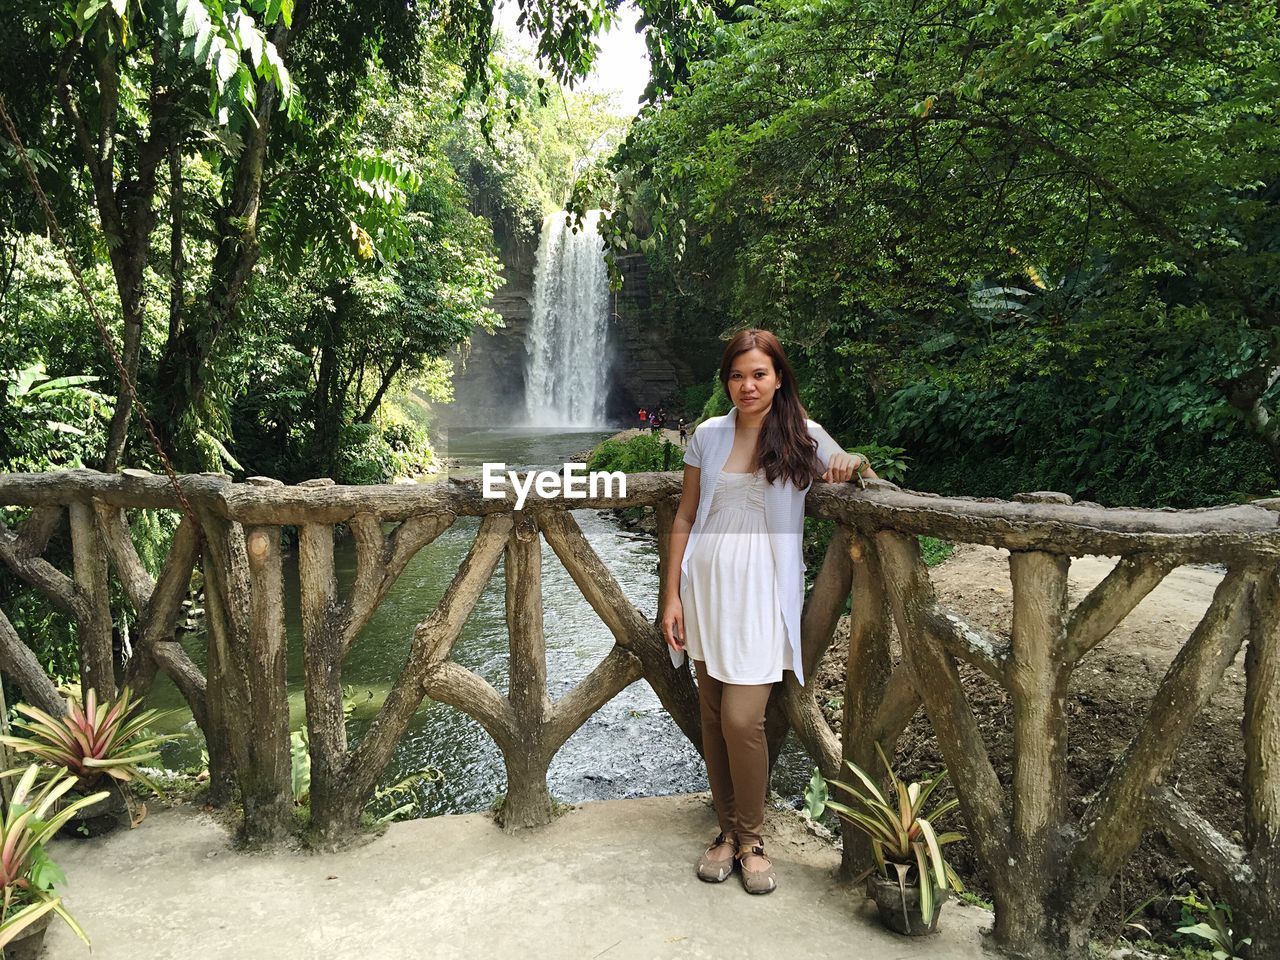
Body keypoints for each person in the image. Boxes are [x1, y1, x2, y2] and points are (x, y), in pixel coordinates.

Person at [660, 328, 876, 895]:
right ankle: (726, 834)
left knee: (741, 720)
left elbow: (849, 462)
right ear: (725, 381)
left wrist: (850, 463)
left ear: (778, 377)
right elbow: (685, 516)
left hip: (762, 597)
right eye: (736, 375)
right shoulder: (707, 437)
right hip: (704, 589)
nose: (747, 385)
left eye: (758, 373)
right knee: (712, 717)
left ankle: (752, 837)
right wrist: (671, 594)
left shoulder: (802, 435)